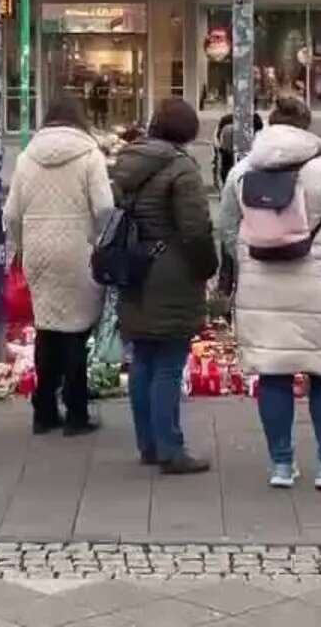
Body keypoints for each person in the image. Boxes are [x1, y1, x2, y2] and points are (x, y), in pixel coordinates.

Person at [217, 96, 321, 492]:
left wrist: (247, 259)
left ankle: (282, 465)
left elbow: (227, 228)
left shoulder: (242, 171)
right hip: (320, 285)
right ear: (306, 126)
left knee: (273, 374)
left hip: (261, 285)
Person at [113, 98, 217, 475]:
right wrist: (208, 267)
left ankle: (149, 445)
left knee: (143, 360)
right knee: (169, 364)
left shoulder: (128, 161)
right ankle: (171, 449)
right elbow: (195, 230)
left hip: (135, 269)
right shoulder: (181, 168)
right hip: (171, 272)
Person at [5, 95, 115, 436]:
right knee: (76, 331)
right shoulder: (90, 156)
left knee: (47, 328)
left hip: (38, 250)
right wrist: (98, 240)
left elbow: (10, 214)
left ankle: (44, 409)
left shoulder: (26, 158)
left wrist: (22, 246)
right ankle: (77, 411)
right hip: (77, 249)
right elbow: (104, 208)